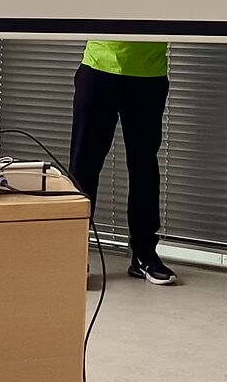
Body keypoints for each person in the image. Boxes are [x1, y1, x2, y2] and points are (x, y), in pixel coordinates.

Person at [70, 40, 177, 284]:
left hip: (149, 76)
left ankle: (144, 255)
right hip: (98, 68)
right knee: (83, 167)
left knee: (144, 168)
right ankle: (73, 254)